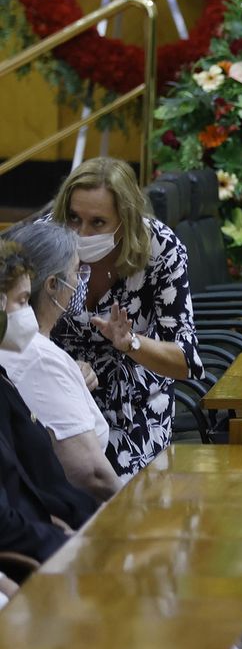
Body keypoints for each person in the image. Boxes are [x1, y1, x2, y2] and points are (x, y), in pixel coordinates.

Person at [48, 158, 203, 476]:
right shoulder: (47, 244)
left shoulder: (160, 249)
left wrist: (131, 343)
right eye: (74, 218)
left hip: (135, 402)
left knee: (116, 493)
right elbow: (17, 329)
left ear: (126, 220)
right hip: (59, 393)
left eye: (98, 223)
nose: (81, 232)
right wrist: (61, 365)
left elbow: (186, 361)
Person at [2, 222, 121, 499]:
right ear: (53, 285)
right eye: (76, 271)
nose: (81, 282)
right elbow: (92, 474)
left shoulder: (23, 342)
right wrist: (136, 511)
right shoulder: (39, 357)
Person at [0, 276, 98, 564]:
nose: (24, 312)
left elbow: (22, 483)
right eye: (20, 301)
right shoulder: (35, 359)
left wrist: (54, 523)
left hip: (57, 528)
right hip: (37, 558)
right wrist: (64, 543)